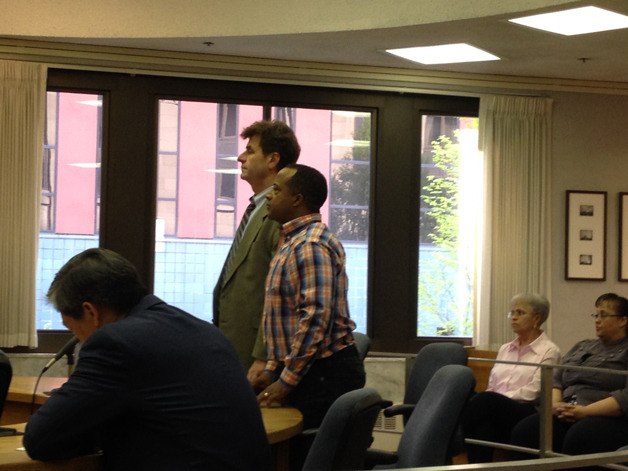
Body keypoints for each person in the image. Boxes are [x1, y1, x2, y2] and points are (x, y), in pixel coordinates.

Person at [24, 248, 271, 471]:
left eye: (72, 328)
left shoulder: (115, 343)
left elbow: (40, 439)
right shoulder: (203, 330)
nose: (77, 339)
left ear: (91, 312)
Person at [253, 164, 366, 429]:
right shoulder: (292, 241)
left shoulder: (309, 245)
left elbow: (315, 318)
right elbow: (284, 317)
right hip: (309, 370)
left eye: (277, 189)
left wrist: (287, 379)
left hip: (322, 376)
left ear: (297, 199)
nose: (269, 195)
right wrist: (271, 368)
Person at [213, 119, 300, 381]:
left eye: (250, 151)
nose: (241, 157)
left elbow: (282, 292)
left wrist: (264, 355)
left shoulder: (281, 213)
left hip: (258, 355)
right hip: (237, 344)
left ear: (273, 159)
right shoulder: (257, 208)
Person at [511, 292, 628, 467]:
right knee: (526, 431)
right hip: (566, 410)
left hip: (604, 415)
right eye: (595, 315)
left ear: (623, 320)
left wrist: (584, 411)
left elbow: (625, 397)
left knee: (579, 437)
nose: (597, 320)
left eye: (603, 315)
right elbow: (557, 377)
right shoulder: (583, 345)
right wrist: (555, 404)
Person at [462, 293, 561, 463]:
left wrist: (497, 400)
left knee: (483, 401)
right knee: (483, 428)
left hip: (526, 411)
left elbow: (534, 392)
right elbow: (492, 385)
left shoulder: (549, 351)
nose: (513, 318)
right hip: (494, 408)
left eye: (520, 313)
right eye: (512, 313)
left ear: (536, 318)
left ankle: (447, 439)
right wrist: (494, 400)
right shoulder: (505, 348)